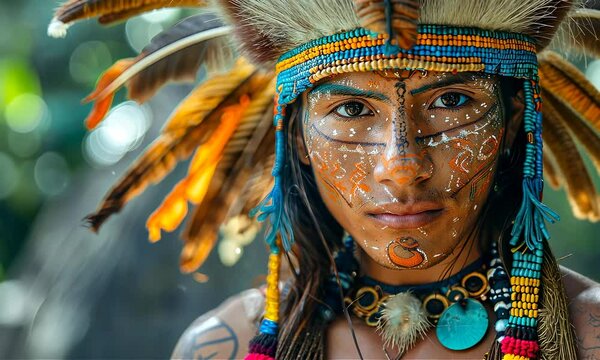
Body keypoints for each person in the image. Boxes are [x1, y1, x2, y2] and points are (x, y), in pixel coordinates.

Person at [47, 0, 600, 359]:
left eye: (452, 101)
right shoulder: (226, 347)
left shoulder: (587, 334)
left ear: (511, 127)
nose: (401, 163)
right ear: (299, 142)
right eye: (352, 110)